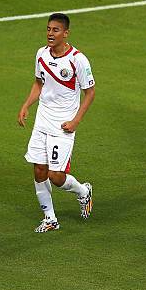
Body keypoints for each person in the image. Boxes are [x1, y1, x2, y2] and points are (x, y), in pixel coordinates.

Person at [18, 13, 94, 233]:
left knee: (56, 176)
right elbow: (38, 83)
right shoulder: (41, 54)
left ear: (66, 33)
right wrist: (26, 105)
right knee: (39, 171)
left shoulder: (77, 59)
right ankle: (50, 218)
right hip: (42, 120)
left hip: (63, 125)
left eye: (56, 30)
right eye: (49, 29)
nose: (51, 33)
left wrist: (76, 120)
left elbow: (90, 93)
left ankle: (82, 191)